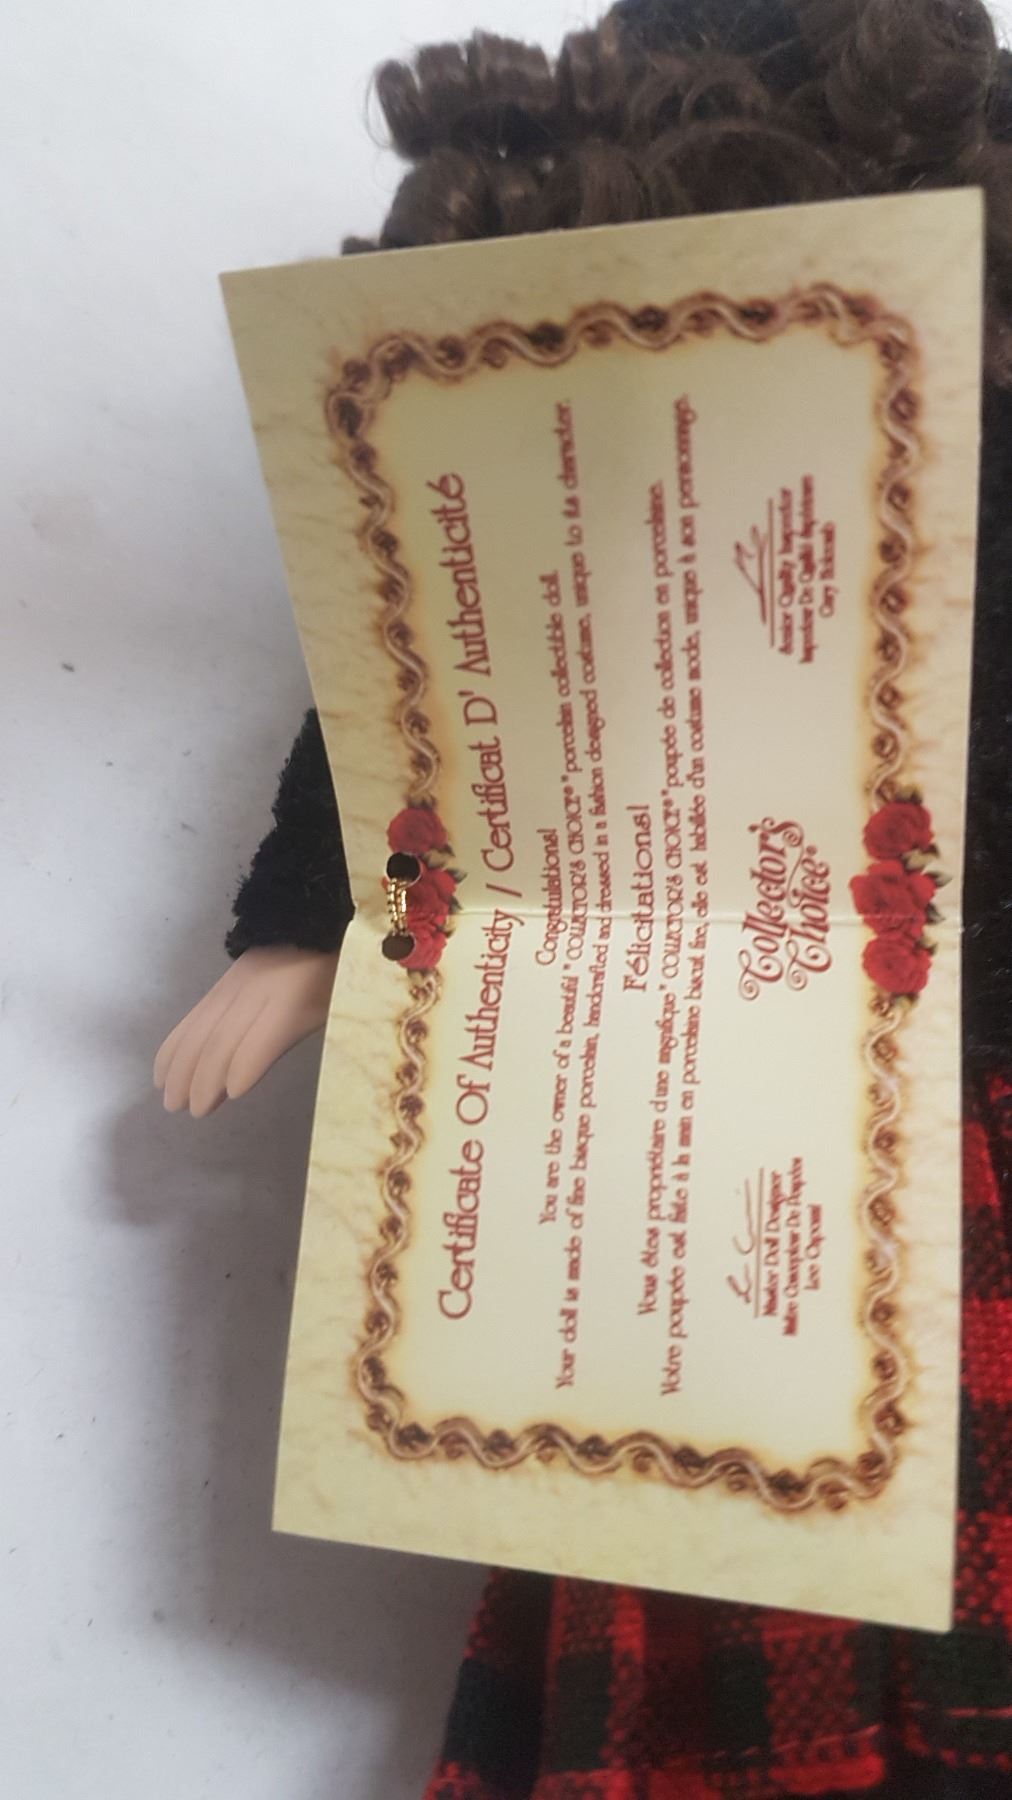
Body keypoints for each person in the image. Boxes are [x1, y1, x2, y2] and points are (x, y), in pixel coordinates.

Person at [155, 2, 1012, 1791]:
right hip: (674, 1122)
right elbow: (424, 673)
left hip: (952, 1080)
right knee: (713, 1573)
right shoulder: (596, 435)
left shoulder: (960, 408)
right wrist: (310, 930)